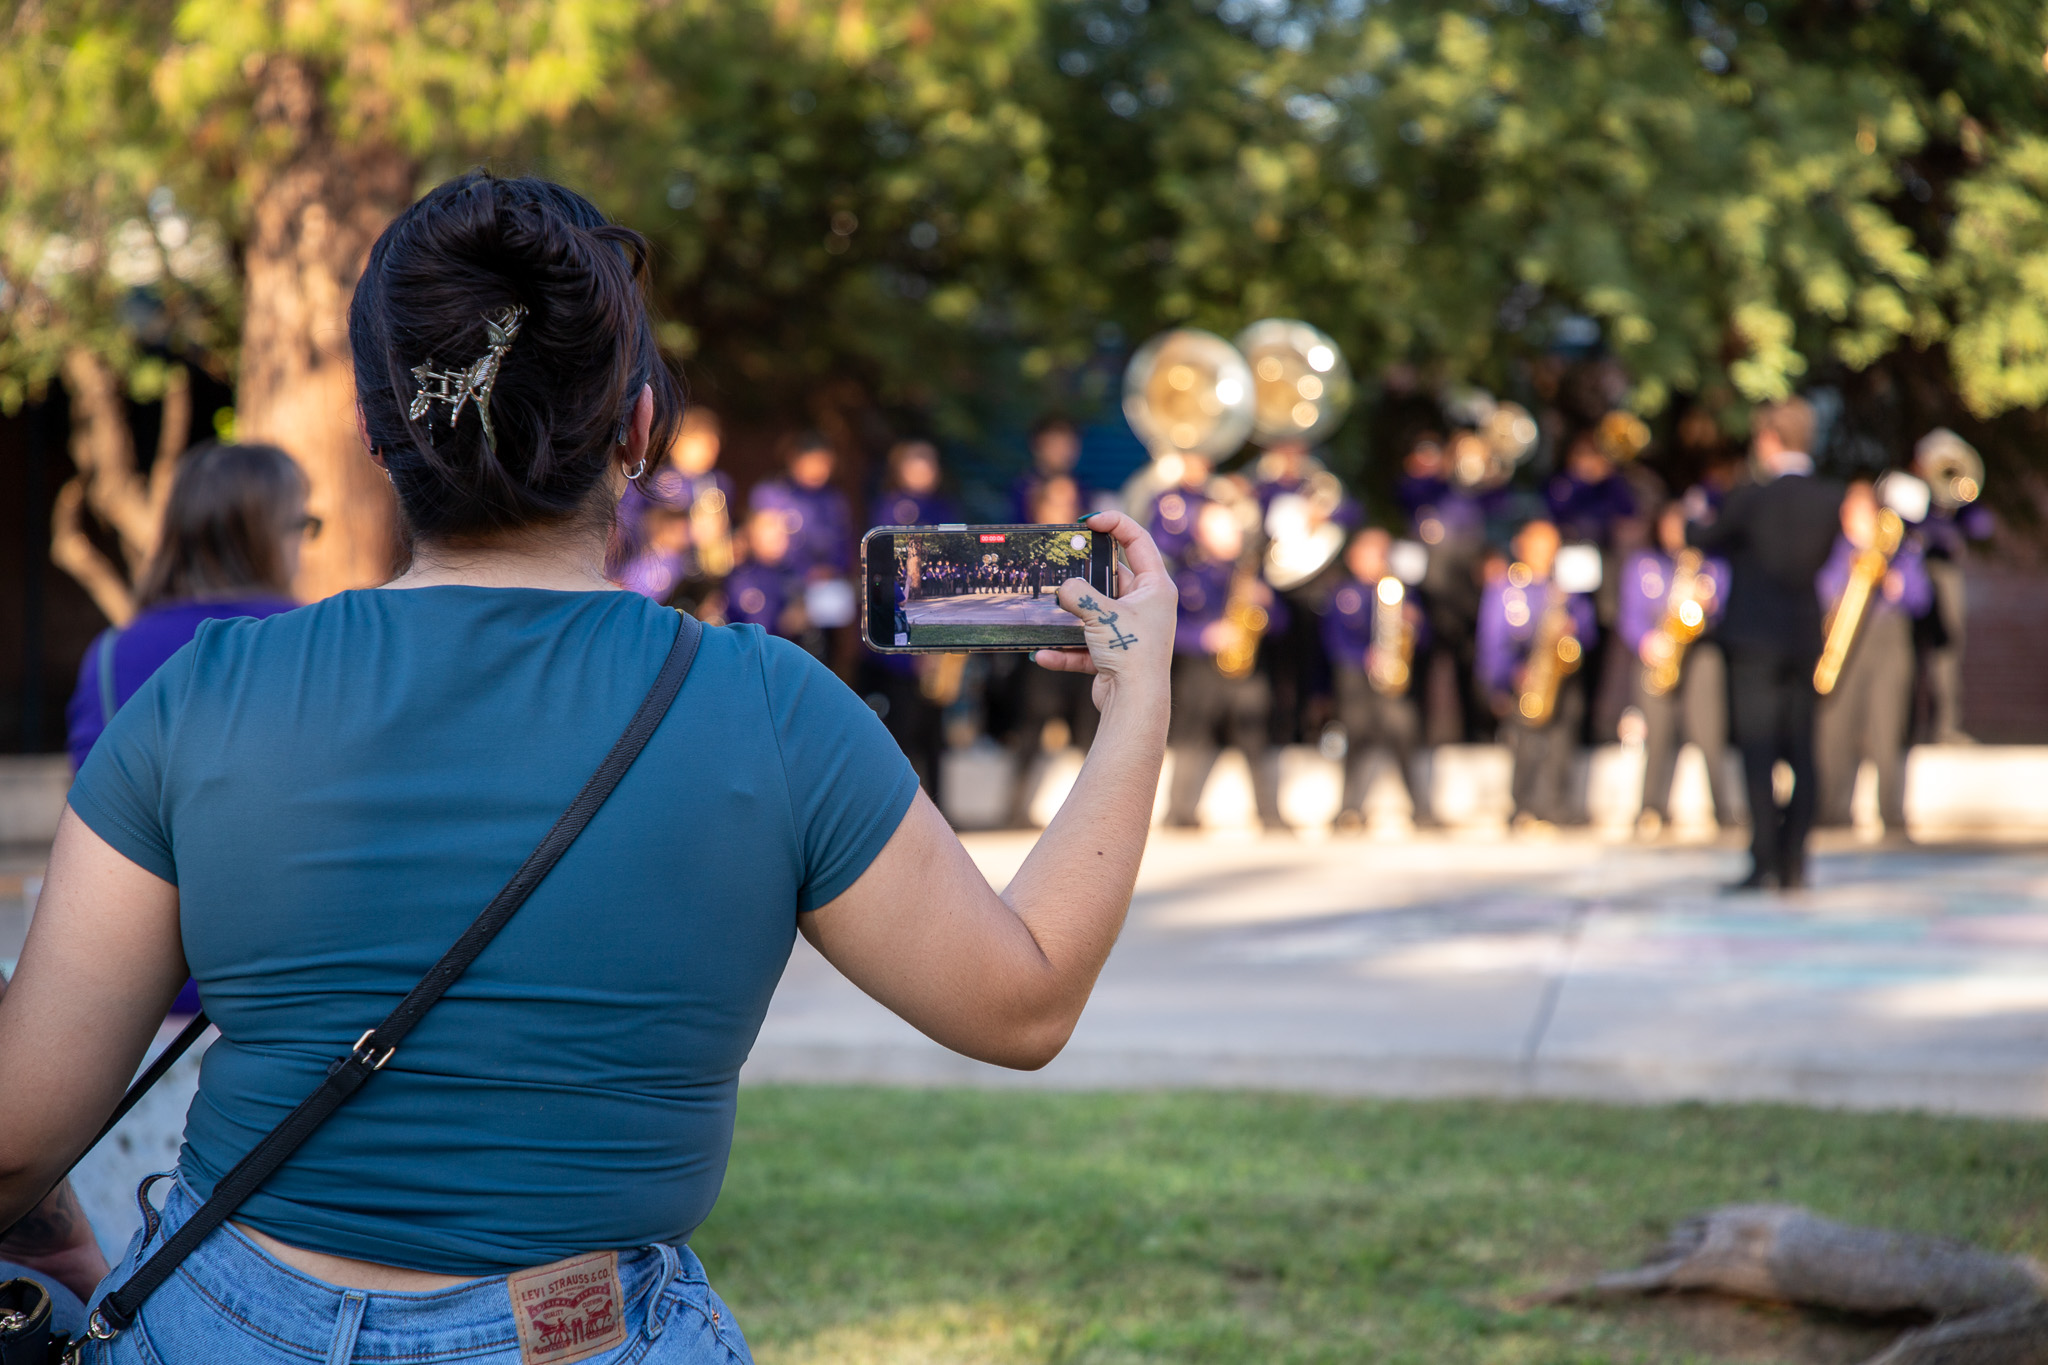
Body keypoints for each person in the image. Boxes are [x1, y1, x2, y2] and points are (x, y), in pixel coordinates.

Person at [0, 172, 1177, 1364]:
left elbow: (20, 1132)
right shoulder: (771, 710)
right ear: (639, 429)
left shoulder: (198, 695)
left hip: (221, 1323)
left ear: (375, 432)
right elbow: (1020, 1005)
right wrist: (1136, 697)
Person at [66, 442, 311, 771]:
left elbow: (89, 788)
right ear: (269, 536)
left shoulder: (111, 654)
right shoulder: (308, 638)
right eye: (305, 526)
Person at [1687, 397, 1844, 890]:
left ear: (1769, 441)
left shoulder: (1751, 496)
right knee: (1802, 750)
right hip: (1801, 636)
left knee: (1757, 752)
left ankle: (1764, 861)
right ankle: (1795, 863)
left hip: (1753, 639)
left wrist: (1691, 518)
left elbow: (1708, 539)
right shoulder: (1829, 498)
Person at [1814, 481, 1932, 837]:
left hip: (1887, 642)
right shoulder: (1835, 551)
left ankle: (1892, 815)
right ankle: (1832, 811)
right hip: (1843, 645)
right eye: (1850, 511)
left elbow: (1921, 598)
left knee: (1887, 730)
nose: (1854, 519)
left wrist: (1895, 582)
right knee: (1836, 728)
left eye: (1862, 511)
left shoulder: (1900, 550)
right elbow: (1823, 590)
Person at [1165, 500, 1285, 831]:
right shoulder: (1185, 575)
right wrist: (1205, 635)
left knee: (1255, 738)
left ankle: (1269, 815)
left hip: (1245, 668)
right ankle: (1179, 813)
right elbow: (1169, 628)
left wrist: (1268, 605)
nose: (1234, 534)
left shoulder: (1247, 573)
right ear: (1202, 534)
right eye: (1224, 528)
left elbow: (1279, 624)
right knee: (1193, 737)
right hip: (1202, 670)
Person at [1620, 500, 1737, 837]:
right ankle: (1651, 810)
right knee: (1657, 736)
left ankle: (1724, 811)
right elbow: (1629, 614)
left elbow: (1724, 604)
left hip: (1701, 652)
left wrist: (1709, 604)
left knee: (1710, 733)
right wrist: (1647, 641)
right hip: (1658, 652)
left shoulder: (1712, 565)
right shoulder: (1643, 565)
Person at [1478, 517, 1597, 833]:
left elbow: (1588, 629)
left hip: (1561, 676)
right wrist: (1502, 678)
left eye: (1552, 545)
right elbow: (1492, 638)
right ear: (1523, 546)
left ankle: (1557, 806)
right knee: (1525, 745)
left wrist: (1575, 631)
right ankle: (1524, 806)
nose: (1547, 552)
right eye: (1540, 544)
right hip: (1524, 677)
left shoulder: (1566, 587)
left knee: (1561, 742)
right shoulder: (1507, 588)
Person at [1321, 528, 1435, 831]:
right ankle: (1349, 809)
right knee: (1355, 740)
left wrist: (1413, 624)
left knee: (1404, 737)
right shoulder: (1344, 593)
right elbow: (1335, 641)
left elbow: (1423, 641)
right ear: (1355, 558)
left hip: (1393, 681)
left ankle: (1421, 809)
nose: (1378, 560)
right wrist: (1365, 657)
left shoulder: (1400, 591)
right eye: (1371, 553)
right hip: (1356, 680)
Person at [1004, 475, 1101, 826]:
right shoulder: (1023, 547)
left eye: (1070, 501)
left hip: (1080, 651)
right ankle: (1014, 808)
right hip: (1038, 656)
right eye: (1057, 500)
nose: (1065, 508)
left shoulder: (1086, 547)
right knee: (1031, 731)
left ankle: (1095, 813)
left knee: (1089, 734)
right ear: (1038, 506)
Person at [1908, 430, 1993, 744]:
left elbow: (1983, 528)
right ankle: (1905, 727)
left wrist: (1964, 498)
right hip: (1912, 570)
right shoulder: (1910, 491)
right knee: (1909, 651)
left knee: (1948, 651)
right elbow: (1915, 526)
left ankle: (1945, 727)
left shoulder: (1959, 500)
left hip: (1945, 573)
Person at [750, 430, 853, 581]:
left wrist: (831, 570)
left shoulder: (835, 500)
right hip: (777, 582)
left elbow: (845, 549)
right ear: (793, 459)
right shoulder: (771, 494)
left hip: (825, 583)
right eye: (811, 461)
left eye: (824, 462)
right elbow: (763, 546)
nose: (818, 469)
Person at [1009, 415, 1090, 522]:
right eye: (1055, 443)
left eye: (1068, 444)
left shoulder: (1084, 488)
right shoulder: (1020, 489)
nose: (1063, 451)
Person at [872, 438, 960, 530]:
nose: (927, 473)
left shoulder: (943, 504)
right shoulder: (891, 504)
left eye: (931, 466)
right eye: (919, 470)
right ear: (902, 470)